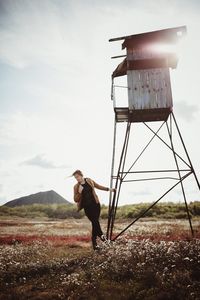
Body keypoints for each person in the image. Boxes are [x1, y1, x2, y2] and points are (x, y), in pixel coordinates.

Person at [72, 169, 116, 250]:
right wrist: (79, 192)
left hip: (96, 205)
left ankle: (95, 245)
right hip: (87, 207)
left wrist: (110, 189)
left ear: (81, 175)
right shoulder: (76, 186)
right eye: (75, 178)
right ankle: (104, 240)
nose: (77, 179)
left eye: (77, 176)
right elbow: (75, 199)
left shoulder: (89, 180)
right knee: (95, 222)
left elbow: (98, 186)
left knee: (95, 223)